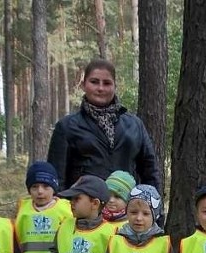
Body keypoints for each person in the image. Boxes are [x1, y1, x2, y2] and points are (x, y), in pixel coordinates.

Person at [47, 58, 161, 192]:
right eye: (94, 82)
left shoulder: (135, 125)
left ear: (114, 86)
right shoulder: (67, 127)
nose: (100, 88)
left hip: (127, 208)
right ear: (84, 85)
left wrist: (154, 207)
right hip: (83, 209)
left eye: (107, 83)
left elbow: (150, 173)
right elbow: (56, 179)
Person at [14, 161, 73, 253]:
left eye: (46, 186)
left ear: (54, 188)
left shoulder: (65, 209)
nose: (40, 191)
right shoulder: (23, 209)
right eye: (35, 187)